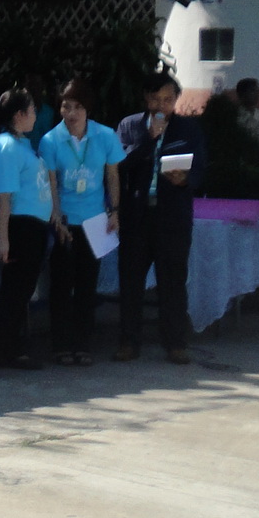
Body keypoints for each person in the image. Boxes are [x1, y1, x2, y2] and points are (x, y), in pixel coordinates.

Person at [116, 69, 202, 365]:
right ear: (146, 98)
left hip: (172, 215)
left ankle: (175, 343)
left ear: (176, 100)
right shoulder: (129, 126)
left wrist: (185, 180)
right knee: (131, 282)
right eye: (155, 99)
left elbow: (201, 166)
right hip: (137, 216)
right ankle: (128, 341)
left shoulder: (188, 129)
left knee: (173, 281)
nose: (161, 106)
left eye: (167, 99)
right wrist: (148, 140)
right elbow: (119, 165)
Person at [38, 80, 121, 365]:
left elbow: (112, 176)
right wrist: (56, 217)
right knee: (61, 284)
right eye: (66, 106)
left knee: (87, 285)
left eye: (77, 107)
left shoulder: (105, 135)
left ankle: (83, 343)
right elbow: (50, 184)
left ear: (88, 109)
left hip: (95, 220)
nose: (71, 113)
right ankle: (61, 344)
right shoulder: (50, 140)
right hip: (64, 220)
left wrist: (114, 211)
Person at [0, 88, 51, 374]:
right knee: (15, 290)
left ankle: (5, 346)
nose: (36, 116)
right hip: (20, 226)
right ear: (19, 115)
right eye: (32, 111)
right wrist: (3, 238)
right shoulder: (5, 146)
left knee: (21, 290)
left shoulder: (22, 145)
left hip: (33, 226)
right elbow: (3, 195)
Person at [235, 77, 259, 149]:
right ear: (242, 93)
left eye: (258, 91)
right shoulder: (234, 115)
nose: (256, 94)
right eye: (252, 91)